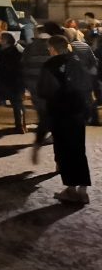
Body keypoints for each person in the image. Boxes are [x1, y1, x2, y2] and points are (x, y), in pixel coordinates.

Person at [34, 35, 91, 205]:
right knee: (79, 150)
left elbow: (44, 90)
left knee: (64, 152)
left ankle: (71, 189)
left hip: (60, 112)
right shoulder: (77, 62)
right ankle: (83, 190)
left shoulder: (50, 65)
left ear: (52, 48)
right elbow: (87, 86)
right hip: (77, 112)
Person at [0, 32, 27, 134]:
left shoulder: (7, 52)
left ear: (6, 41)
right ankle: (22, 124)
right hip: (18, 79)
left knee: (16, 103)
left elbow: (5, 67)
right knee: (19, 103)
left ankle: (20, 126)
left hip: (12, 80)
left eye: (1, 39)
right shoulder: (16, 50)